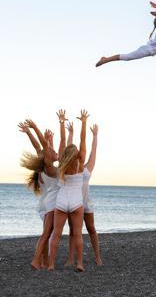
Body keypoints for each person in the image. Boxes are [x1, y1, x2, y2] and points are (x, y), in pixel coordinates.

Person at [47, 110, 89, 272]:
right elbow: (84, 139)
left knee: (56, 234)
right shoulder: (80, 161)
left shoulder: (63, 162)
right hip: (76, 202)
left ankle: (51, 264)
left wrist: (62, 123)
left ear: (65, 153)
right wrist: (83, 122)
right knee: (77, 234)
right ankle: (79, 263)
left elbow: (63, 139)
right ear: (76, 152)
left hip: (62, 201)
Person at [18, 120, 59, 269]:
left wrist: (30, 133)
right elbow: (44, 147)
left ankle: (42, 261)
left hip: (44, 203)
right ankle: (38, 260)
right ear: (48, 156)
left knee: (46, 233)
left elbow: (39, 147)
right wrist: (34, 128)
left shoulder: (43, 168)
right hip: (50, 204)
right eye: (53, 151)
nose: (55, 152)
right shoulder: (49, 168)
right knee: (47, 234)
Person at [65, 123, 103, 266]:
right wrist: (70, 133)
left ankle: (98, 257)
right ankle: (70, 258)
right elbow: (67, 149)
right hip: (74, 202)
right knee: (73, 230)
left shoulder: (87, 168)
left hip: (86, 203)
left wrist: (94, 135)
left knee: (91, 228)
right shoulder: (71, 168)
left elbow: (93, 151)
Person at [95, 2, 156, 67]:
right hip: (146, 50)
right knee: (127, 57)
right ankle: (105, 59)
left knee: (127, 57)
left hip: (148, 50)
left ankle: (106, 59)